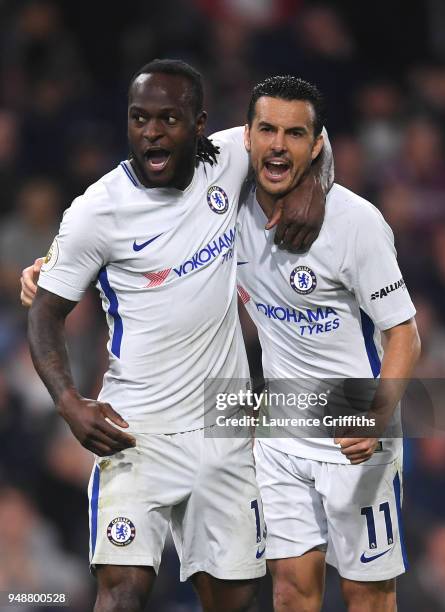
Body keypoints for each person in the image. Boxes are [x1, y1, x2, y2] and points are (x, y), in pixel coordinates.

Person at [23, 60, 333, 612]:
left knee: (233, 598)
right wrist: (68, 402)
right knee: (122, 592)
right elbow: (45, 312)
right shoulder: (97, 211)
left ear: (199, 124)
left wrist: (314, 182)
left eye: (169, 119)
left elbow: (307, 137)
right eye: (139, 118)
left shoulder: (230, 156)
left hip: (225, 424)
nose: (151, 131)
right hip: (136, 427)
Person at [235, 76, 421, 611]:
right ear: (246, 136)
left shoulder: (357, 223)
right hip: (281, 419)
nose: (278, 144)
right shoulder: (229, 208)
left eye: (296, 134)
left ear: (317, 146)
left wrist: (377, 416)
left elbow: (404, 334)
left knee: (367, 595)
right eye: (267, 129)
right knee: (291, 591)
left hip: (353, 424)